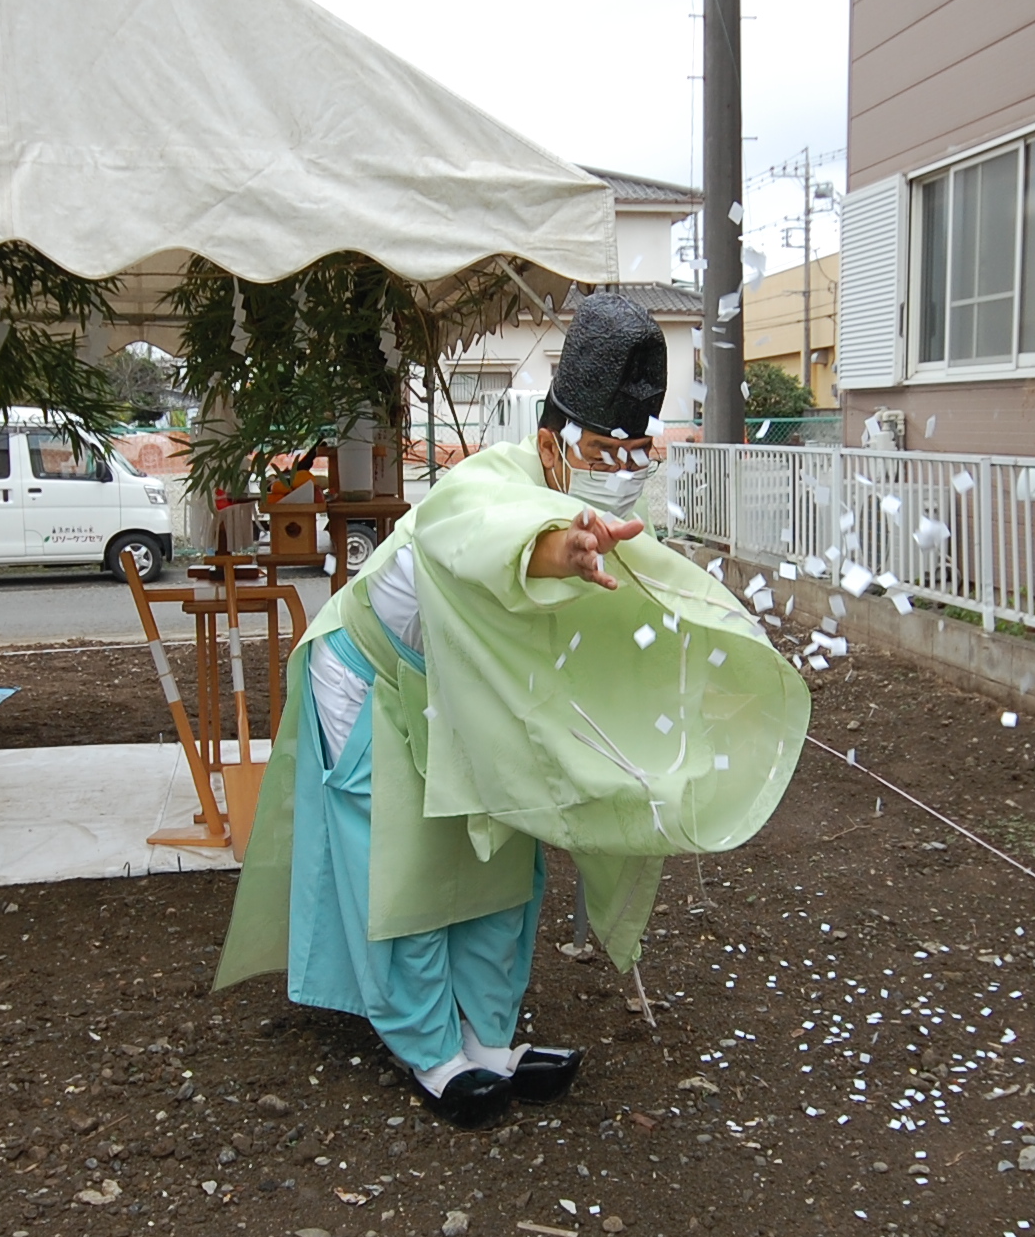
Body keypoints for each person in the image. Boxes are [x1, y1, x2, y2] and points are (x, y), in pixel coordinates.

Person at [217, 293, 809, 1126]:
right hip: (378, 684)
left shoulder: (616, 519)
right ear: (548, 445)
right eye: (606, 448)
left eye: (641, 450)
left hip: (475, 698)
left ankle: (489, 1038)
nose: (626, 467)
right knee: (407, 861)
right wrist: (554, 547)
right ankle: (429, 1049)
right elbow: (491, 534)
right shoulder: (488, 485)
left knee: (502, 854)